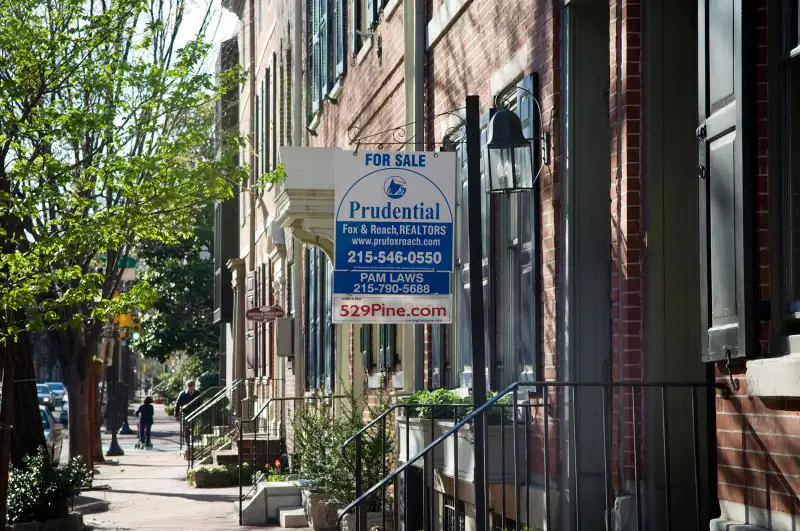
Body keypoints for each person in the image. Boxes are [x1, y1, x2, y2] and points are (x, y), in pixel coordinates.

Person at [174, 381, 200, 446]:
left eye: (192, 386)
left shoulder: (197, 393)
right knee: (186, 428)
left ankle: (192, 440)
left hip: (194, 413)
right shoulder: (182, 394)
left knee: (193, 427)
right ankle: (187, 442)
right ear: (187, 386)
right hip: (185, 413)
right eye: (189, 386)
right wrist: (176, 415)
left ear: (194, 386)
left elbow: (200, 403)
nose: (190, 387)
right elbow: (177, 404)